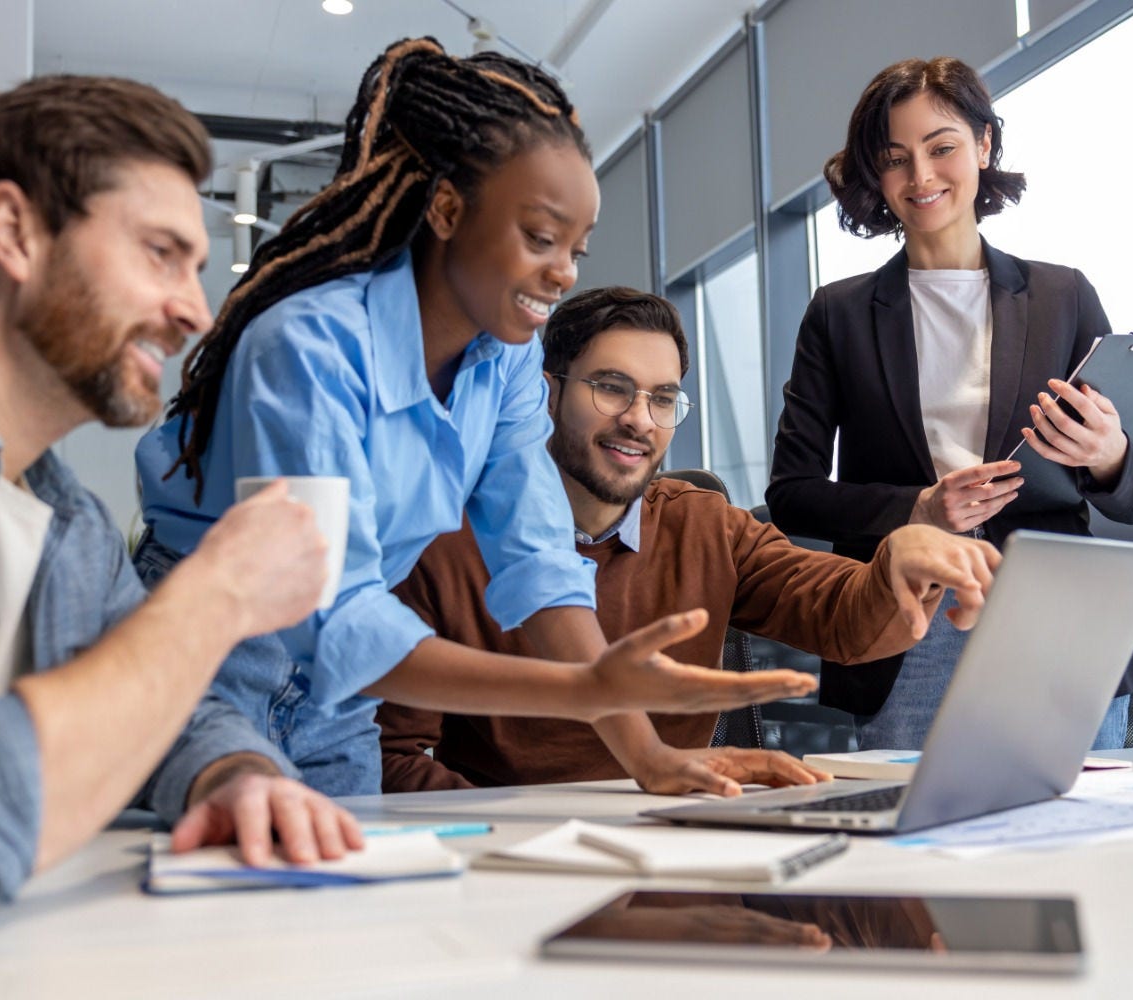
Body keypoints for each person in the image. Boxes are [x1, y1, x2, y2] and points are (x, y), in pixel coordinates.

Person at [0, 76, 377, 1000]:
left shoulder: (70, 521)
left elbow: (176, 709)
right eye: (162, 255)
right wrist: (214, 593)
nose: (197, 312)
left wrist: (238, 773)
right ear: (14, 232)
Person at [134, 38, 810, 800]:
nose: (565, 272)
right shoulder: (308, 347)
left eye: (577, 248)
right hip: (210, 657)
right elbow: (330, 613)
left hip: (340, 689)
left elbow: (539, 562)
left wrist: (643, 752)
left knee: (350, 901)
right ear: (449, 209)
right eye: (540, 237)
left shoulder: (508, 360)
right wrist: (582, 691)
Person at [379, 286, 1000, 792]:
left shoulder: (706, 525)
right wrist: (520, 838)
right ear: (546, 391)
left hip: (680, 843)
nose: (639, 419)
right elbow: (392, 758)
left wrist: (898, 554)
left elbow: (839, 613)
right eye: (611, 387)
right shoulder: (444, 541)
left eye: (663, 398)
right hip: (522, 871)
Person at [766, 57, 1133, 751]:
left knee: (1083, 841)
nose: (920, 177)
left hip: (1056, 615)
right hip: (907, 618)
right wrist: (919, 509)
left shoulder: (1061, 297)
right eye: (894, 159)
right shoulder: (839, 314)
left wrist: (1110, 455)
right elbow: (792, 494)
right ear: (875, 178)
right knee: (918, 845)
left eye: (941, 147)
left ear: (982, 145)